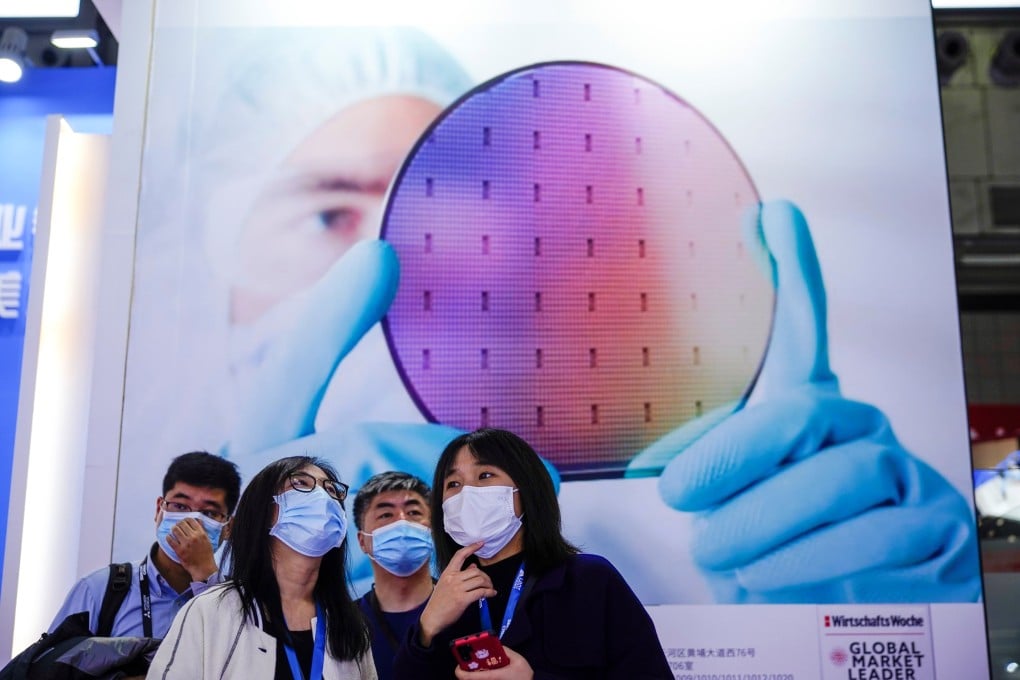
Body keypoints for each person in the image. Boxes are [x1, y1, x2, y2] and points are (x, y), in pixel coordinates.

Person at [392, 428, 672, 679]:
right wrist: (427, 627)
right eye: (453, 484)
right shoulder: (449, 597)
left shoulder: (589, 580)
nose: (467, 493)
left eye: (485, 476)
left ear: (525, 489)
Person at [147, 455, 377, 678]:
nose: (323, 498)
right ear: (264, 512)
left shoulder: (349, 623)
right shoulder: (210, 610)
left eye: (331, 490)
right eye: (301, 483)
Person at [47, 451, 240, 639]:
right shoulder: (98, 590)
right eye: (180, 506)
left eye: (208, 514)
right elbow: (50, 668)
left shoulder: (242, 604)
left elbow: (239, 660)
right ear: (159, 509)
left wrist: (206, 575)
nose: (191, 523)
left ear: (228, 527)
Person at [354, 471, 436, 680]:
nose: (402, 522)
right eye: (386, 515)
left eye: (413, 512)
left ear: (434, 530)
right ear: (363, 541)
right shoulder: (345, 625)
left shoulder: (467, 608)